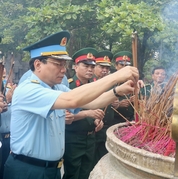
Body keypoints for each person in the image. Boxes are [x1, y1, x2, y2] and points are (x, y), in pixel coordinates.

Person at [3, 31, 139, 179]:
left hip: (51, 170)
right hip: (28, 170)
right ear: (38, 64)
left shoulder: (56, 88)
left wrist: (118, 91)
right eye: (58, 64)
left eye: (64, 64)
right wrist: (115, 76)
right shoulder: (28, 89)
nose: (63, 69)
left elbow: (92, 102)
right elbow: (72, 100)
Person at [63, 47, 104, 179]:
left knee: (87, 172)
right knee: (72, 173)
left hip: (91, 137)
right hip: (73, 137)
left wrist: (97, 120)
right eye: (86, 66)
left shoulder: (94, 87)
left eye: (92, 67)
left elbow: (95, 111)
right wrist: (88, 114)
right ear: (75, 67)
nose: (90, 70)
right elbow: (65, 117)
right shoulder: (68, 87)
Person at [91, 50, 118, 168]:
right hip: (93, 128)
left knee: (102, 160)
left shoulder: (110, 84)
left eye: (107, 68)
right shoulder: (90, 84)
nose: (105, 70)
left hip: (106, 127)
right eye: (101, 67)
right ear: (94, 67)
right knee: (90, 162)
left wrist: (116, 104)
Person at [112, 51, 135, 124]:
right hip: (114, 121)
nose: (124, 68)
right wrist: (118, 105)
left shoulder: (133, 82)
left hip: (131, 121)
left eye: (126, 66)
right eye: (121, 65)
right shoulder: (110, 82)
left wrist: (136, 101)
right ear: (116, 66)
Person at [0, 81, 16, 179]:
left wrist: (9, 100)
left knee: (8, 169)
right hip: (1, 138)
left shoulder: (10, 96)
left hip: (10, 138)